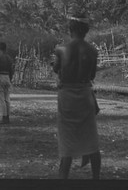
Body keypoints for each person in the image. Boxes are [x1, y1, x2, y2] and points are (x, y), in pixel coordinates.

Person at [52, 11, 101, 179]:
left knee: (67, 139)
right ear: (86, 30)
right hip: (85, 95)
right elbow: (92, 76)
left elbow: (56, 69)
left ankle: (63, 177)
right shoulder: (93, 51)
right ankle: (96, 179)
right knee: (91, 139)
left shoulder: (61, 49)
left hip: (67, 97)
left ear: (70, 28)